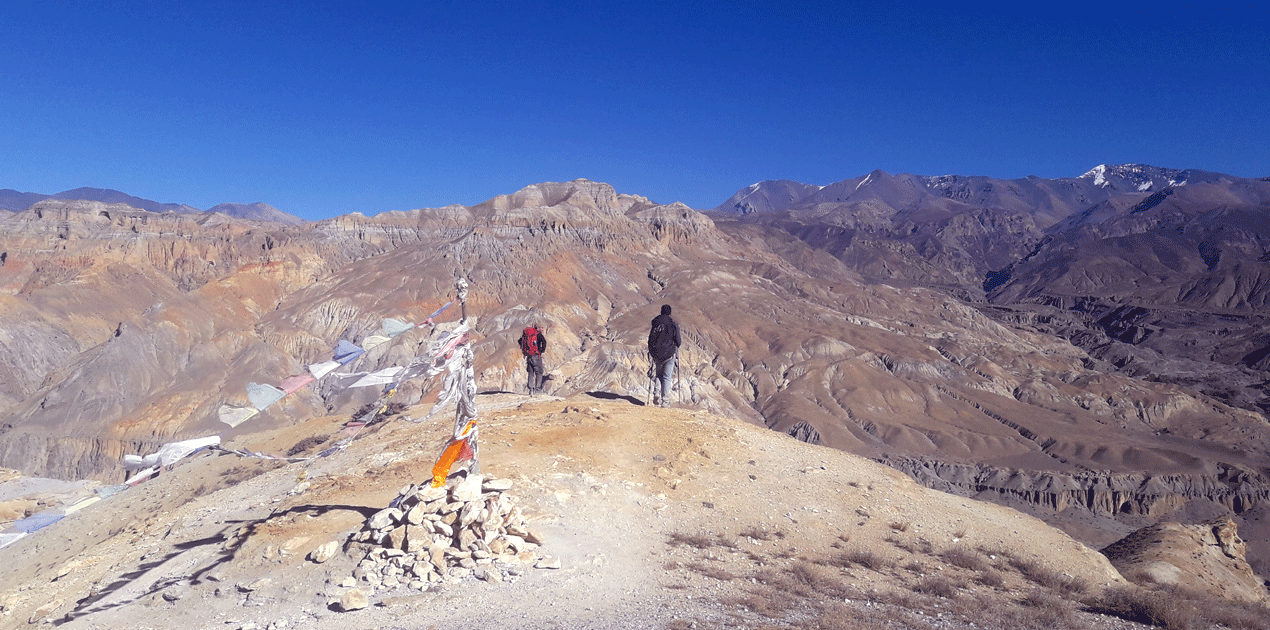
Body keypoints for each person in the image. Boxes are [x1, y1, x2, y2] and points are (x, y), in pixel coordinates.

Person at [647, 304, 681, 407]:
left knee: (658, 375)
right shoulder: (673, 324)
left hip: (657, 353)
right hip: (669, 354)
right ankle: (665, 402)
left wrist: (652, 352)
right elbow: (678, 342)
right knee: (666, 377)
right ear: (670, 313)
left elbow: (650, 339)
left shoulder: (655, 323)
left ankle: (656, 393)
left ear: (661, 311)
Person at [518, 324, 547, 394]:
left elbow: (519, 341)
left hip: (528, 356)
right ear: (538, 328)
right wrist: (541, 350)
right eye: (541, 328)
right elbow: (544, 342)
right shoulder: (538, 335)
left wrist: (526, 350)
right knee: (539, 372)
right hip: (536, 356)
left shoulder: (528, 334)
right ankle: (537, 390)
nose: (542, 330)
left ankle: (531, 389)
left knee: (531, 373)